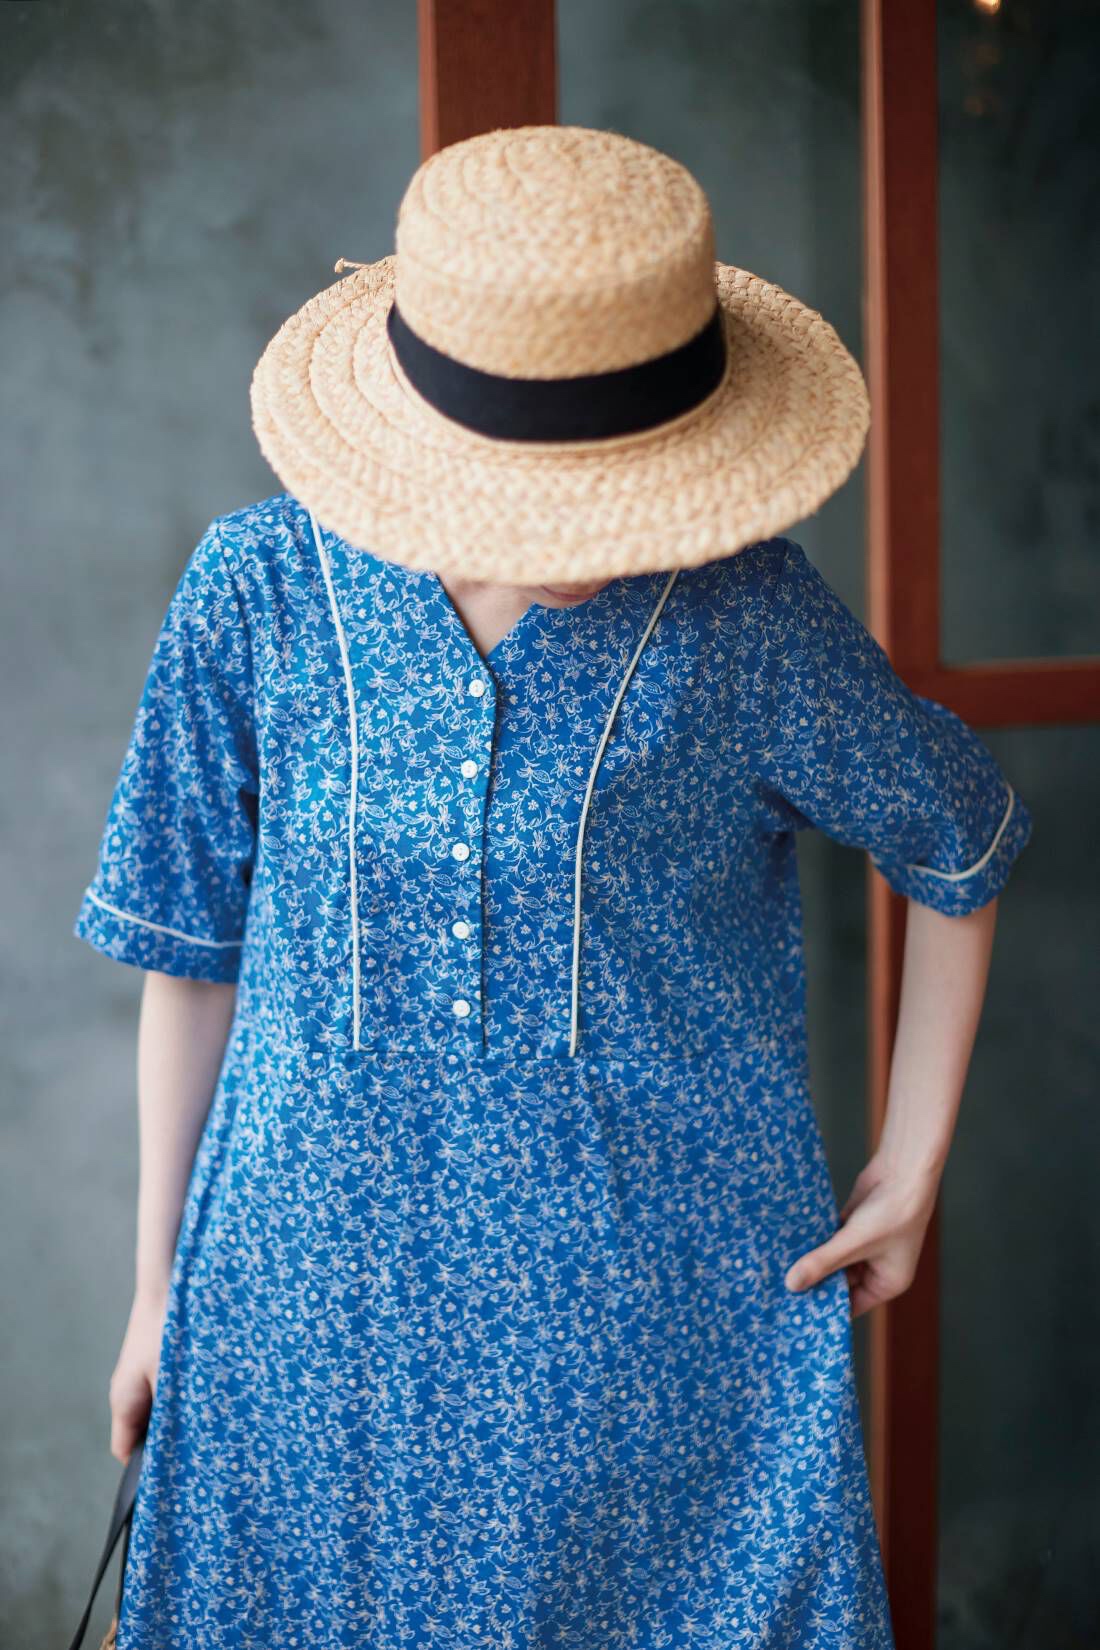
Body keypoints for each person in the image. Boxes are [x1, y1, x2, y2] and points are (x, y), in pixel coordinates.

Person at [74, 126, 1031, 1649]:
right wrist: (154, 1291)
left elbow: (955, 836)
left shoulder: (743, 614)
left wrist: (911, 1173)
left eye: (632, 475)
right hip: (311, 1330)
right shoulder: (258, 591)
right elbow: (190, 961)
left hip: (660, 1349)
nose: (602, 527)